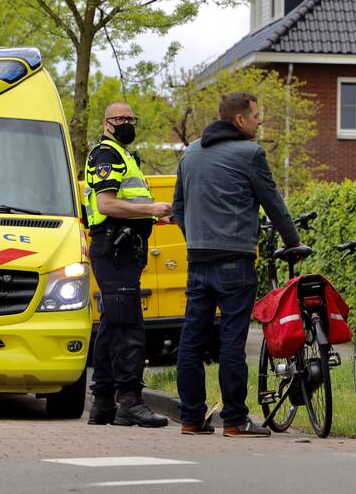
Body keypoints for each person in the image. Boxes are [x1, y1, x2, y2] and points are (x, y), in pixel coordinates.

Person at [172, 92, 303, 437]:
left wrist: (195, 240)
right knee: (232, 341)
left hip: (197, 259)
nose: (260, 121)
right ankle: (234, 420)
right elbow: (273, 202)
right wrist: (293, 243)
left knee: (192, 340)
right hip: (235, 261)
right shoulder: (250, 154)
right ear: (239, 120)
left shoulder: (191, 152)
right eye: (256, 115)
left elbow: (178, 206)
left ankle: (190, 418)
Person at [84, 102, 173, 428]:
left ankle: (104, 403)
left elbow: (125, 202)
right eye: (120, 119)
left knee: (111, 326)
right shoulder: (106, 155)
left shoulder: (124, 157)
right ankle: (130, 402)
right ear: (107, 123)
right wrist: (151, 209)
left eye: (130, 119)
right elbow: (107, 204)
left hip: (121, 247)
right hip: (114, 247)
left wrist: (157, 215)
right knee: (129, 327)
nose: (126, 123)